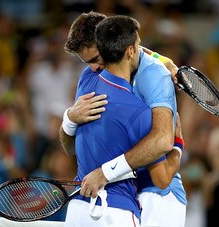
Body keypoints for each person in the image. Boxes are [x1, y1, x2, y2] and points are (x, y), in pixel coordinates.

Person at [61, 12, 187, 226]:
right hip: (124, 200)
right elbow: (72, 146)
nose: (93, 68)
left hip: (157, 197)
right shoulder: (90, 78)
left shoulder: (155, 76)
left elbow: (160, 143)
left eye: (94, 59)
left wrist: (104, 173)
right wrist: (69, 118)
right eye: (87, 62)